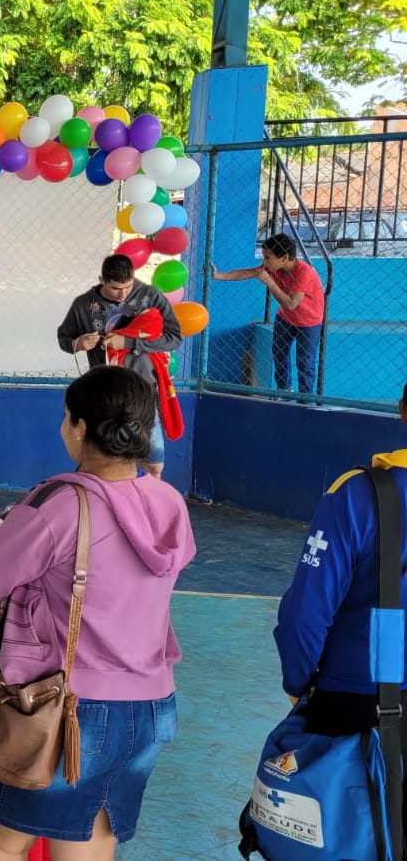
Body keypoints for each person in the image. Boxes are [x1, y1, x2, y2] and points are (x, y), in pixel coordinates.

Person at [0, 365, 195, 861]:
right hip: (151, 706)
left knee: (3, 843)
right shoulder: (168, 501)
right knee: (88, 841)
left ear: (82, 427)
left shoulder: (62, 504)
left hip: (69, 707)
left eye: (68, 418)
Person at [273, 447, 407, 738]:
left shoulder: (357, 494)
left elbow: (303, 617)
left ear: (403, 411)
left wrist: (299, 687)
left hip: (353, 704)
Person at [56, 253, 182, 479]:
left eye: (128, 286)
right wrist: (79, 343)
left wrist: (129, 341)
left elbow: (174, 337)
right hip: (104, 394)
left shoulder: (150, 295)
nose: (123, 294)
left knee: (154, 461)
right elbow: (64, 339)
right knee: (105, 461)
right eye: (115, 288)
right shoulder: (84, 304)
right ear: (101, 280)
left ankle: (149, 507)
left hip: (142, 389)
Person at [210, 233, 327, 397]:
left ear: (284, 257)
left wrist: (270, 283)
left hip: (308, 322)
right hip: (285, 318)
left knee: (304, 363)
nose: (264, 262)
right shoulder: (273, 268)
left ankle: (305, 400)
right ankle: (284, 392)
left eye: (268, 257)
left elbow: (291, 304)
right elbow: (248, 273)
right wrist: (219, 276)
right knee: (279, 355)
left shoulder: (304, 273)